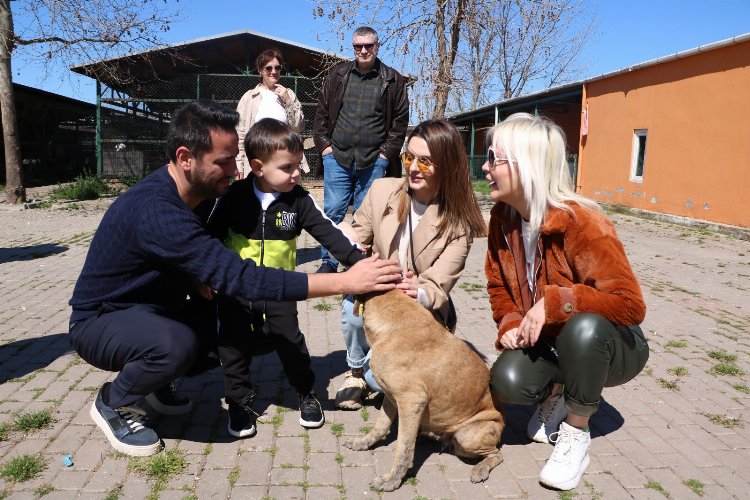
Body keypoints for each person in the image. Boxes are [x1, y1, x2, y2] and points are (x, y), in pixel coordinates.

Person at [68, 100, 402, 457]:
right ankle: (114, 401)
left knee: (231, 337)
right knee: (177, 344)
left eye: (235, 158)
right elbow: (240, 278)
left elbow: (203, 253)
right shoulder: (159, 209)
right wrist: (347, 282)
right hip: (101, 321)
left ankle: (156, 382)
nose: (235, 170)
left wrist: (366, 264)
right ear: (186, 158)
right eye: (224, 162)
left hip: (149, 308)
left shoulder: (196, 193)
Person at [483, 112, 649, 491]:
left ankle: (576, 433)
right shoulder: (502, 220)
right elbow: (498, 288)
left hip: (615, 347)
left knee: (584, 327)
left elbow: (630, 304)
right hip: (554, 344)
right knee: (507, 381)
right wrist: (510, 322)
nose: (487, 167)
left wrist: (554, 303)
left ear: (525, 166)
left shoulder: (583, 223)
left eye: (494, 157)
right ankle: (559, 391)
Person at [207, 118, 369, 436]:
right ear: (258, 167)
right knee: (233, 345)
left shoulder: (298, 200)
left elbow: (330, 233)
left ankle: (306, 393)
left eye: (298, 165)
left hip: (281, 288)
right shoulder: (234, 197)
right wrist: (206, 275)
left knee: (291, 341)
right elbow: (208, 236)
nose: (297, 173)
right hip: (236, 289)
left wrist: (360, 263)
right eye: (287, 167)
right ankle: (238, 401)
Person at [335, 119, 486, 409]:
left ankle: (372, 371)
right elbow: (358, 235)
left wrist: (415, 290)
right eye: (409, 157)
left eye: (426, 161)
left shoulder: (460, 223)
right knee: (352, 304)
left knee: (381, 378)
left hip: (420, 312)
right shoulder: (382, 190)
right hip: (379, 297)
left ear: (447, 164)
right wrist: (345, 235)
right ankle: (355, 371)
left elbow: (439, 283)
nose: (413, 168)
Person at [312, 26, 409, 274]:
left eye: (368, 46)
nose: (363, 50)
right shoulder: (338, 75)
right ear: (353, 47)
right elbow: (321, 113)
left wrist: (385, 155)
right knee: (333, 211)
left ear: (377, 46)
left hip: (374, 161)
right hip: (338, 158)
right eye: (358, 46)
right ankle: (329, 261)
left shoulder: (393, 79)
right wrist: (325, 148)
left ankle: (356, 261)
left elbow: (400, 123)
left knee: (365, 215)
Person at [236, 48, 307, 179]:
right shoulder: (249, 97)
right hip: (257, 161)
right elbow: (240, 134)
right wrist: (239, 165)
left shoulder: (289, 94)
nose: (273, 72)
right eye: (268, 68)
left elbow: (298, 126)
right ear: (260, 70)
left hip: (285, 161)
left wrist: (287, 100)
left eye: (277, 67)